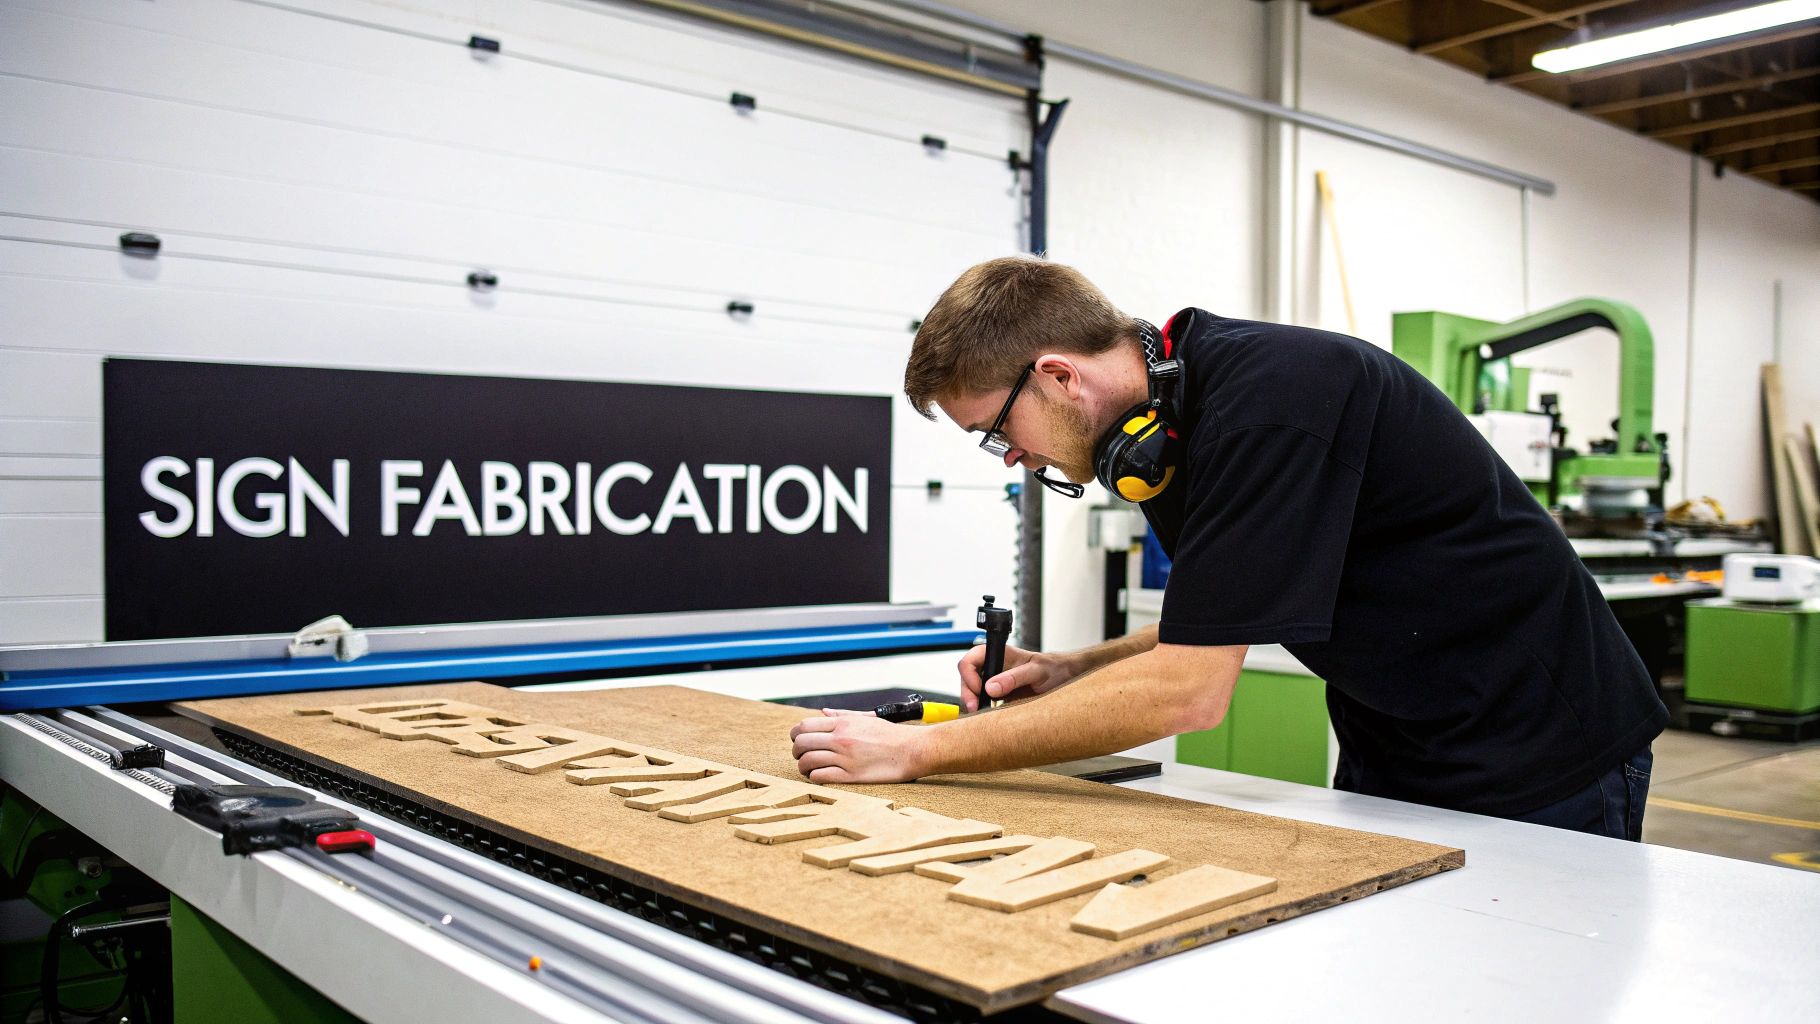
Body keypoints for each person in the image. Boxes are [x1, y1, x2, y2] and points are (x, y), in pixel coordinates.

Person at [790, 255, 1667, 839]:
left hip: (1541, 747)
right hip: (1398, 741)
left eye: (998, 429)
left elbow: (1190, 691)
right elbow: (1228, 613)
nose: (1011, 457)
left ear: (1058, 374)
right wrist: (1075, 668)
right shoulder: (1162, 426)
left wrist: (912, 752)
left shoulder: (1279, 400)